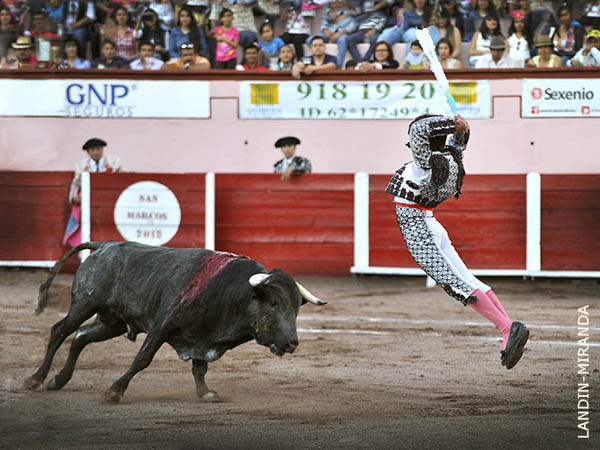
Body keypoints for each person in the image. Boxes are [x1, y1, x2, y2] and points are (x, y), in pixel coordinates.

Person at [385, 113, 529, 370]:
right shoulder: (451, 158)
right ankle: (508, 329)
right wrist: (460, 129)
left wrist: (451, 123)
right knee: (466, 279)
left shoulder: (425, 163)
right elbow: (457, 143)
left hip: (419, 228)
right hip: (430, 223)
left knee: (456, 284)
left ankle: (507, 328)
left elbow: (418, 129)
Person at [64, 138, 122, 248]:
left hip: (108, 201)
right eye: (92, 150)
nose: (95, 152)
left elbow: (122, 178)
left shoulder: (114, 162)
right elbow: (76, 183)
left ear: (102, 150)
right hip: (88, 202)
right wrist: (74, 197)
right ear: (88, 152)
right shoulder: (81, 165)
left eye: (98, 149)